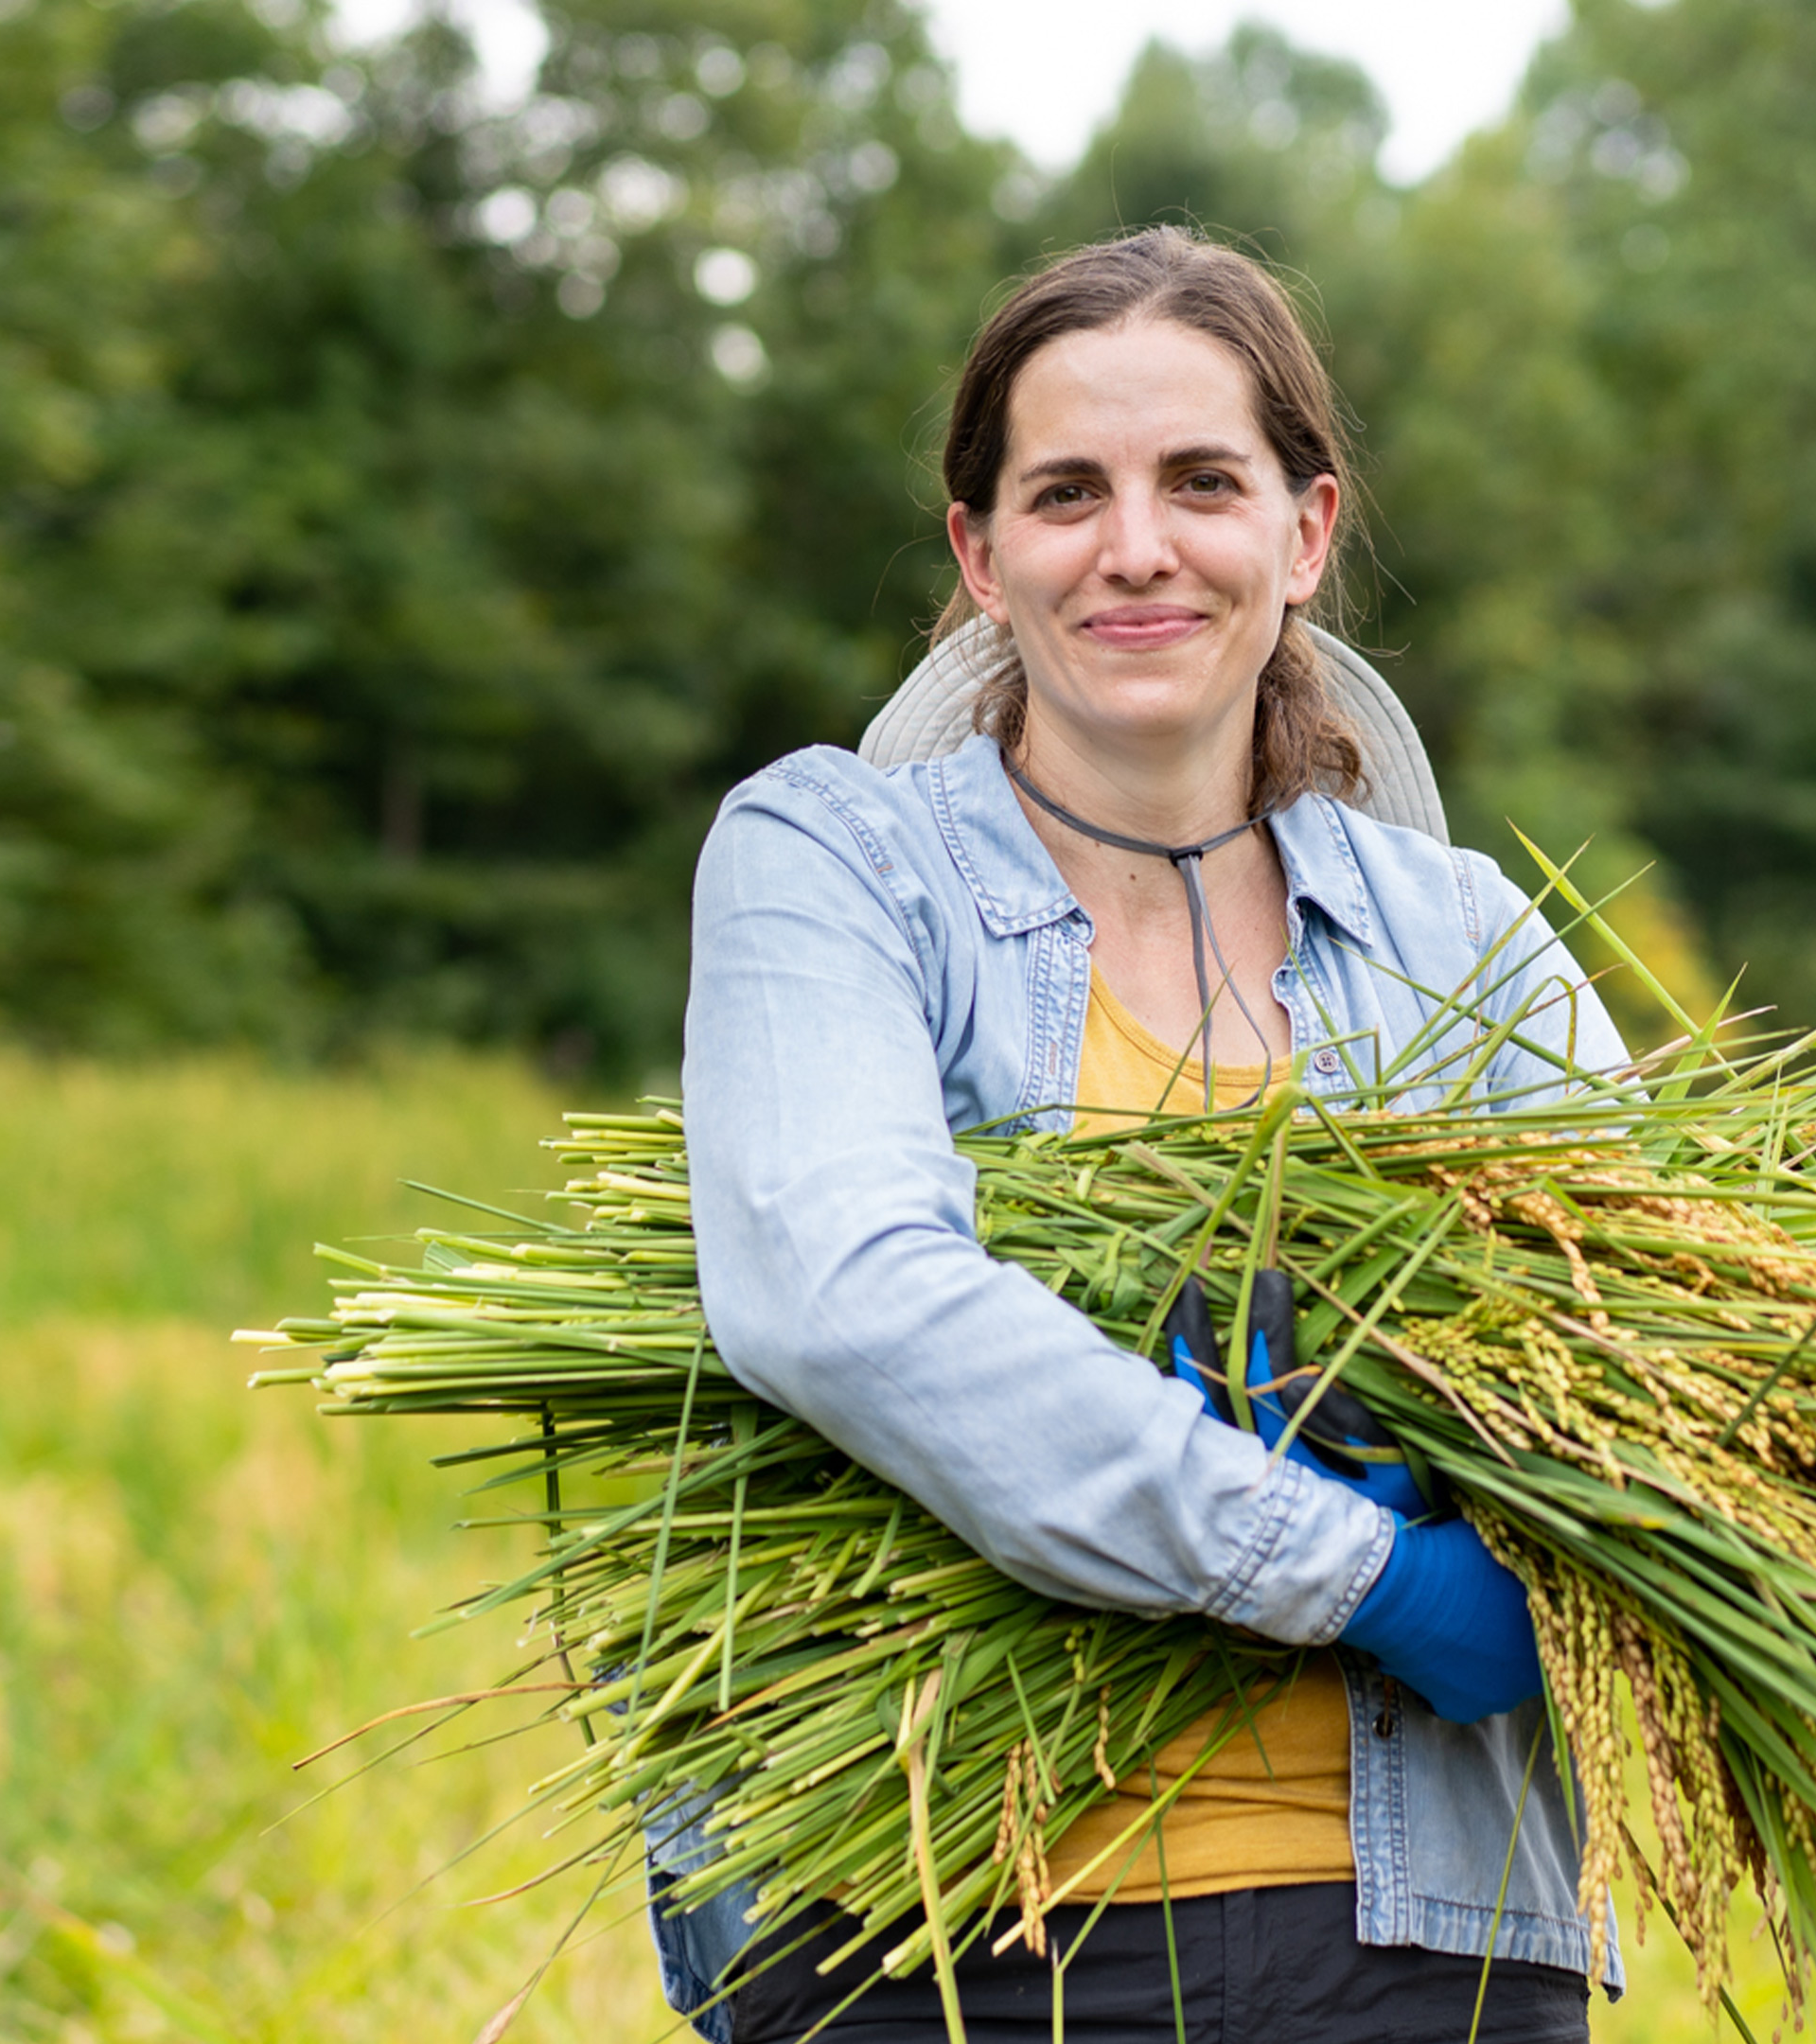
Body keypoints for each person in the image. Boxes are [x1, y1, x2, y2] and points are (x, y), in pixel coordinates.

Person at [663, 226, 1631, 2043]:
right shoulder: (834, 866)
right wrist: (1365, 1573)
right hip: (943, 1930)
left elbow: (1655, 1360)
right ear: (980, 555)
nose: (1135, 547)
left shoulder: (1466, 941)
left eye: (1201, 481)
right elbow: (846, 1294)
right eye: (1066, 493)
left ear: (1305, 532)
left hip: (1423, 1943)